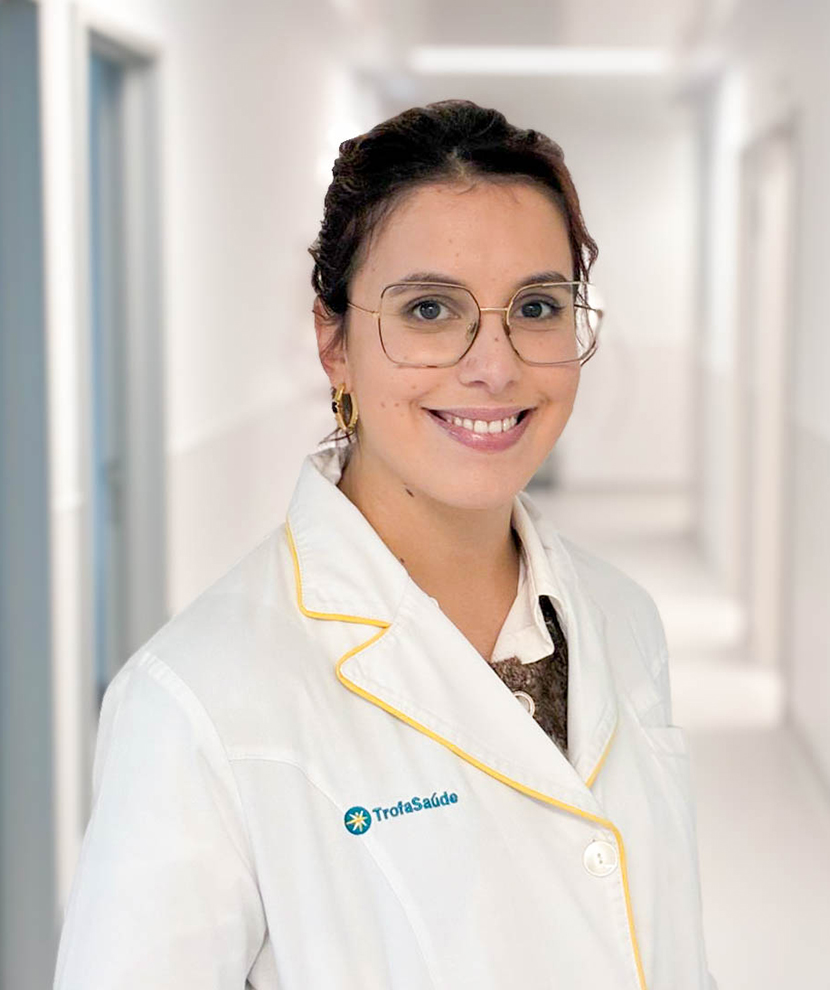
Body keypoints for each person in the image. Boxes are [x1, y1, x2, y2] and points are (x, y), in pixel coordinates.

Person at [54, 99, 717, 990]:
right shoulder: (197, 700)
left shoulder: (622, 618)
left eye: (537, 306)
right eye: (430, 308)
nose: (495, 366)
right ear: (333, 341)